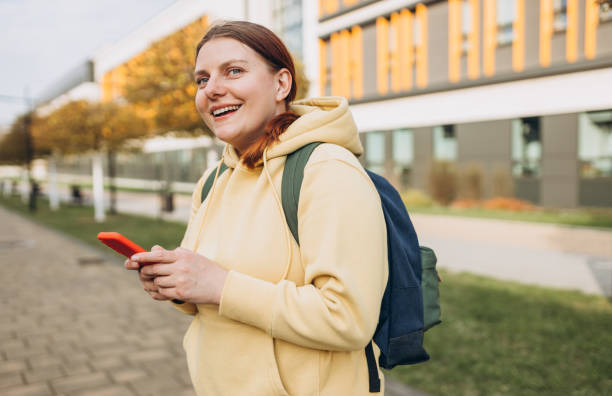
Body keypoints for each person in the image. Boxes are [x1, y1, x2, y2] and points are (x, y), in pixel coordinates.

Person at [125, 20, 388, 396]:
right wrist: (178, 283)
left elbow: (347, 318)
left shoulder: (326, 168)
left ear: (281, 84)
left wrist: (220, 286)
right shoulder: (214, 179)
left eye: (233, 71)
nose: (212, 89)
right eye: (202, 79)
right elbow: (207, 289)